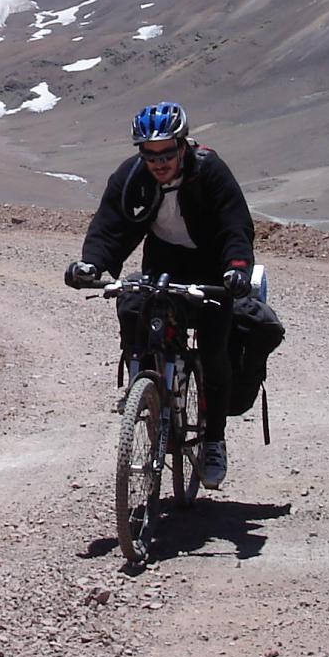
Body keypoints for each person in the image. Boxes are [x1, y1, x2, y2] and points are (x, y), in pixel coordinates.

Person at [65, 101, 280, 489]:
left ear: (182, 145)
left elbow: (235, 224)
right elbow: (111, 225)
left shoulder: (210, 171)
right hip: (164, 263)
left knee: (215, 350)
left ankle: (214, 439)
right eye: (150, 154)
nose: (159, 161)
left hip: (213, 267)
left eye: (166, 152)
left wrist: (236, 269)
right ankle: (143, 387)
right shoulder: (132, 178)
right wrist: (92, 266)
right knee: (132, 303)